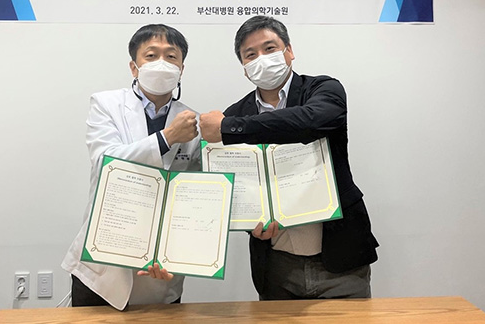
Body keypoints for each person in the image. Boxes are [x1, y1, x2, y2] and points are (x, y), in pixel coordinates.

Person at [200, 16, 379, 300]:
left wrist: (228, 128)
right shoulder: (236, 114)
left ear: (289, 51)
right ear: (245, 68)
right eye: (251, 55)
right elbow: (240, 187)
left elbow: (310, 122)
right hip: (277, 266)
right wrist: (249, 225)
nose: (262, 58)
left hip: (341, 259)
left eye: (270, 48)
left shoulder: (324, 89)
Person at [62, 24, 201, 310]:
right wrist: (166, 138)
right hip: (102, 269)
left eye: (171, 56)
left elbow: (194, 197)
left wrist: (178, 254)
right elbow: (106, 162)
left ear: (181, 69)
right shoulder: (106, 104)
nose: (161, 63)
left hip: (162, 267)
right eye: (151, 55)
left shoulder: (193, 122)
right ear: (134, 67)